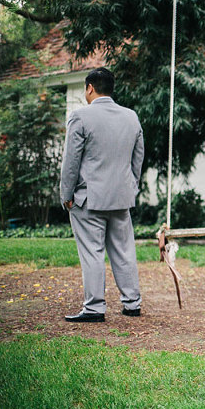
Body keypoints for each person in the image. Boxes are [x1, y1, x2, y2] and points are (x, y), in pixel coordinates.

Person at [60, 67, 144, 323]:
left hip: (89, 199)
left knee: (92, 253)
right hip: (121, 198)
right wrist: (132, 187)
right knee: (124, 251)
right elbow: (137, 157)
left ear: (89, 88)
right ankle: (132, 304)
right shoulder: (131, 117)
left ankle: (95, 308)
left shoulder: (80, 117)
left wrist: (66, 194)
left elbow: (71, 161)